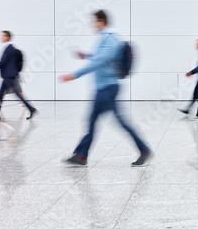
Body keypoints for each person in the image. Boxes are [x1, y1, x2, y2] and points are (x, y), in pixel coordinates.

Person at [60, 10, 152, 167]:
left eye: (94, 21)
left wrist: (74, 75)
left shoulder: (110, 38)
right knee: (93, 121)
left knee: (110, 122)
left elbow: (100, 61)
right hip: (104, 88)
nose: (92, 24)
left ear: (101, 21)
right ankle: (82, 156)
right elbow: (100, 57)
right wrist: (86, 55)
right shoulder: (105, 37)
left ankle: (143, 150)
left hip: (107, 88)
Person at [0, 31, 37, 121]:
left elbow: (3, 62)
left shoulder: (9, 48)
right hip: (7, 75)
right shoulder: (9, 48)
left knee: (16, 94)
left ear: (7, 37)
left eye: (2, 36)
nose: (0, 38)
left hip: (9, 75)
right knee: (0, 94)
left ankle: (31, 109)